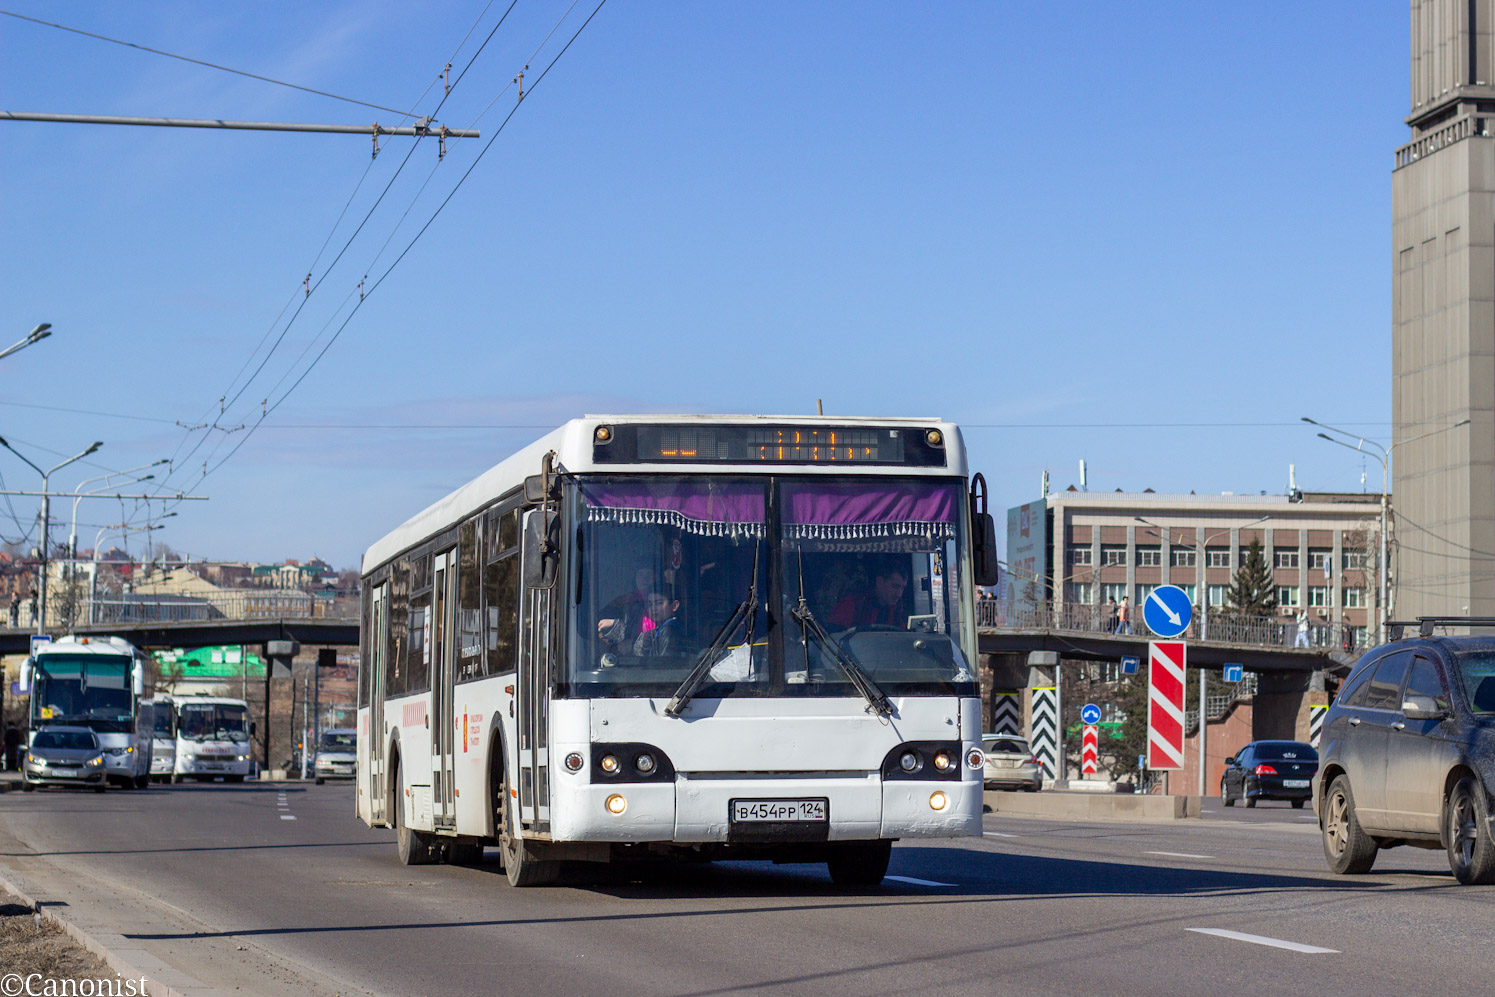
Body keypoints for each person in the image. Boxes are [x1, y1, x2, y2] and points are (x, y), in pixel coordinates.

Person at [829, 562, 909, 629]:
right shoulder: (854, 602)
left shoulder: (897, 608)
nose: (899, 594)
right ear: (880, 582)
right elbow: (835, 638)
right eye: (895, 587)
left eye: (902, 588)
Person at [597, 567, 658, 651]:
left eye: (649, 575)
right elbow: (629, 631)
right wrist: (613, 625)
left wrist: (615, 624)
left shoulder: (657, 601)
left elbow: (653, 636)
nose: (644, 579)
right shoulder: (629, 600)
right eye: (640, 575)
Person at [629, 589, 683, 656]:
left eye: (659, 603)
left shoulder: (670, 630)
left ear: (674, 606)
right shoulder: (660, 629)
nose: (653, 608)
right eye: (650, 604)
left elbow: (666, 662)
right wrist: (647, 646)